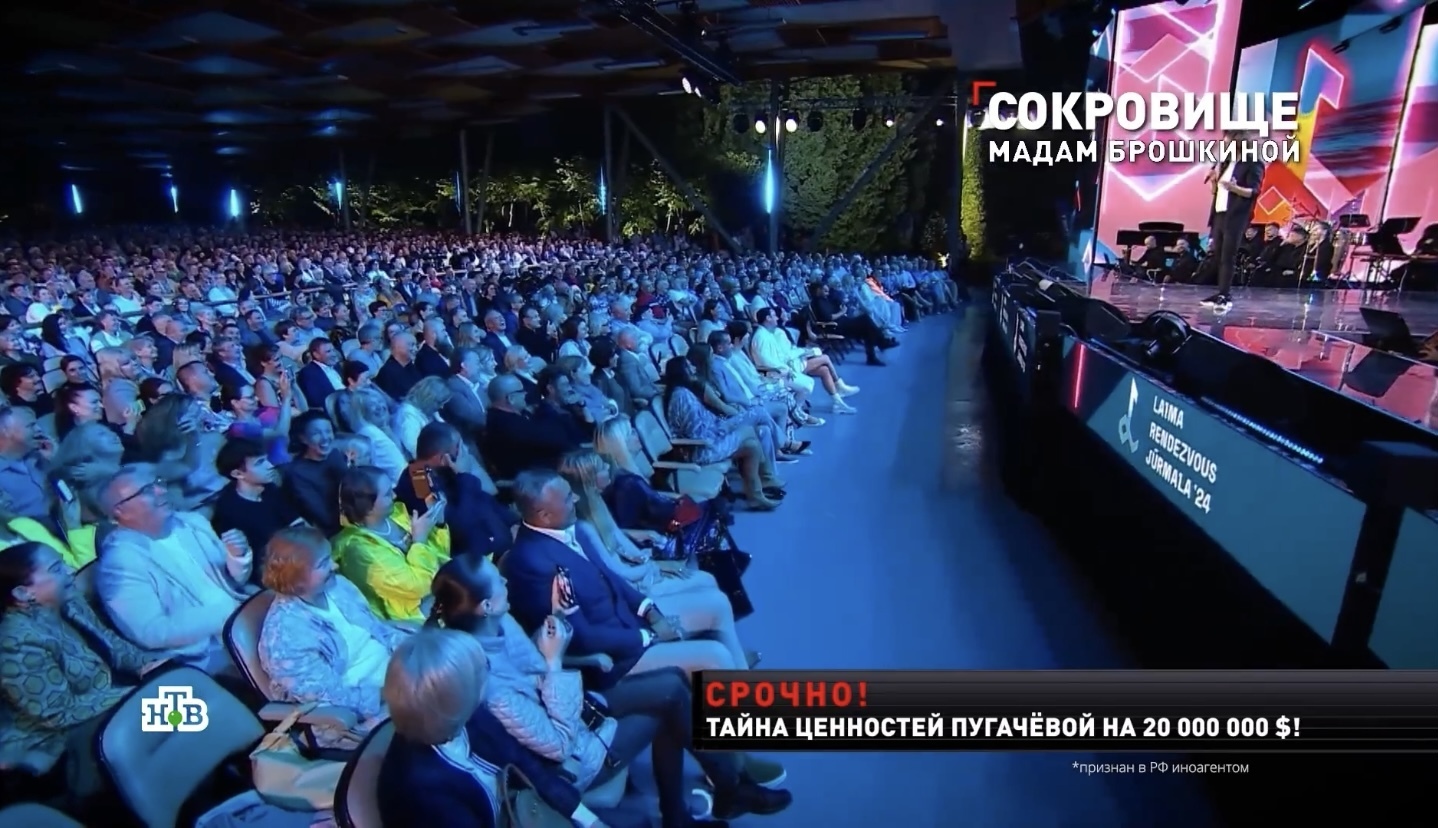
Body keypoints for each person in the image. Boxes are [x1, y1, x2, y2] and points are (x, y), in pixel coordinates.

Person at [427, 555, 790, 825]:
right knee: (672, 699)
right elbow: (559, 743)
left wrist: (556, 621)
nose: (505, 580)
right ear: (486, 606)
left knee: (674, 682)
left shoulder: (500, 622)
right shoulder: (486, 684)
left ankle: (712, 796)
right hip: (573, 758)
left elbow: (534, 666)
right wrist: (554, 663)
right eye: (498, 581)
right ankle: (722, 791)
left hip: (577, 708)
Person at [500, 469, 740, 687]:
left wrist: (652, 613)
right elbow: (579, 636)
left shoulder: (575, 529)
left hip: (629, 620)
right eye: (567, 498)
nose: (576, 499)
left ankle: (742, 682)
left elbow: (613, 580)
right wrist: (648, 636)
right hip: (615, 658)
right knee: (716, 656)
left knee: (717, 604)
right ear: (544, 515)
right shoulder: (530, 563)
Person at [378, 628, 623, 828]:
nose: (489, 671)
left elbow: (528, 767)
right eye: (481, 671)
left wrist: (588, 820)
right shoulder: (422, 794)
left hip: (526, 810)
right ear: (456, 701)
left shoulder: (470, 717)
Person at [0, 542, 164, 808]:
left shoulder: (69, 600)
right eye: (56, 568)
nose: (69, 570)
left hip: (109, 703)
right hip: (60, 740)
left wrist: (151, 665)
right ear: (23, 592)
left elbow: (111, 643)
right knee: (180, 717)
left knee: (192, 702)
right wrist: (133, 695)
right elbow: (58, 712)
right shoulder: (15, 642)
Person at [558, 450, 752, 669]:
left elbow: (624, 544)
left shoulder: (598, 505)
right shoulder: (583, 527)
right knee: (716, 600)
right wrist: (653, 566)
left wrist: (651, 562)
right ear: (589, 480)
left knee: (708, 580)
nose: (608, 468)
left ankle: (728, 649)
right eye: (602, 468)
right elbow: (618, 573)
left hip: (639, 573)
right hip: (633, 587)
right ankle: (730, 658)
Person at [94, 464, 256, 673]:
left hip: (244, 622)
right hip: (207, 655)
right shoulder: (119, 562)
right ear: (120, 510)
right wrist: (229, 614)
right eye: (147, 490)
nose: (161, 490)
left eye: (158, 482)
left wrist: (237, 557)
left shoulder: (192, 523)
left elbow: (234, 583)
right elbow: (152, 632)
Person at [258, 527, 406, 729]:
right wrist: (392, 691)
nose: (335, 566)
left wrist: (413, 652)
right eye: (323, 564)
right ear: (296, 577)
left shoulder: (337, 585)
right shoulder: (284, 636)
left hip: (397, 672)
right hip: (366, 707)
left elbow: (379, 630)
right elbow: (332, 698)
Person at [332, 465, 450, 623]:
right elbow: (418, 587)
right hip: (417, 618)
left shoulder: (396, 514)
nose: (394, 495)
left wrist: (439, 524)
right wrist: (419, 541)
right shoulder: (358, 550)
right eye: (388, 494)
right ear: (368, 507)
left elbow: (439, 556)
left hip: (441, 588)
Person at [661, 360, 783, 510]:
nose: (693, 367)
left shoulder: (685, 392)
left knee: (752, 445)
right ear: (681, 371)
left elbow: (705, 424)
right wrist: (723, 430)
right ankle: (767, 476)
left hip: (711, 438)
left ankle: (756, 495)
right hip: (700, 451)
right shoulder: (682, 396)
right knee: (749, 430)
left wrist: (723, 427)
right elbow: (698, 434)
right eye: (689, 366)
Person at [395, 422, 517, 561]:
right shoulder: (418, 480)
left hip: (501, 539)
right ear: (442, 459)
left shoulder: (444, 471)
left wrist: (513, 521)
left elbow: (482, 499)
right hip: (473, 557)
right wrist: (464, 476)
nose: (463, 454)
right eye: (459, 449)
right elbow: (457, 525)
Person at [209, 437, 299, 582]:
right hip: (271, 573)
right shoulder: (228, 511)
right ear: (238, 474)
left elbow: (296, 522)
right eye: (259, 463)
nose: (269, 465)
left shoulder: (269, 488)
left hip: (294, 555)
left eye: (266, 459)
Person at [1201, 130, 1268, 311]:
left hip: (1235, 216)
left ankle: (1225, 294)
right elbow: (1217, 192)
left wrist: (1235, 188)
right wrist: (1214, 181)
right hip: (1219, 213)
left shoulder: (1253, 162)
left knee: (1228, 256)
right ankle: (1220, 292)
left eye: (1227, 143)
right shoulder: (1226, 163)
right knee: (1217, 255)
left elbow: (1254, 191)